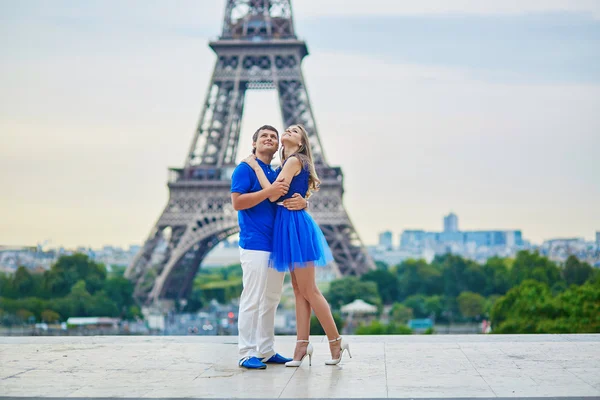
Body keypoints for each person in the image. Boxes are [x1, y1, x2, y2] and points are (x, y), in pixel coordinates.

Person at [243, 124, 352, 367]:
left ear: (301, 142)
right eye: (288, 129)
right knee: (299, 290)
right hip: (288, 224)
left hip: (293, 225)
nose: (290, 131)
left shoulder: (293, 161)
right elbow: (283, 192)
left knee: (309, 290)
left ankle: (335, 341)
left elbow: (272, 195)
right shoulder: (288, 162)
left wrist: (253, 166)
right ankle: (301, 346)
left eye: (295, 131)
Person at [230, 125, 308, 370]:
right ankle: (246, 352)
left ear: (277, 148)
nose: (269, 139)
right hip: (255, 244)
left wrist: (304, 200)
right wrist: (268, 192)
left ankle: (265, 350)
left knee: (272, 299)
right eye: (264, 135)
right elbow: (237, 202)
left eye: (273, 137)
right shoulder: (245, 168)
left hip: (277, 243)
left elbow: (286, 195)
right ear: (254, 144)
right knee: (252, 298)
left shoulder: (275, 171)